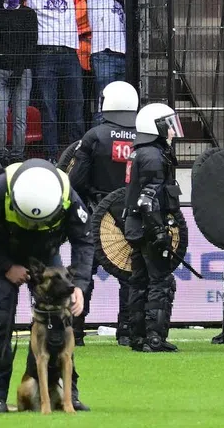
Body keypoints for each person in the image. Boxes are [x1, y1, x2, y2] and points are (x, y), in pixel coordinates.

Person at [0, 160, 92, 414]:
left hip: (46, 255)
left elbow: (84, 240)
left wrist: (79, 285)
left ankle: (69, 392)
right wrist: (6, 267)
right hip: (1, 255)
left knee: (63, 322)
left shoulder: (67, 194)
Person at [65, 81, 140, 345]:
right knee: (129, 273)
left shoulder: (94, 136)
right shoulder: (145, 135)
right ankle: (128, 331)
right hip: (132, 216)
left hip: (98, 214)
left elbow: (75, 181)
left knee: (84, 272)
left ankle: (75, 329)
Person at [123, 102, 182, 353]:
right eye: (167, 126)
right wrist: (159, 231)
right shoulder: (154, 156)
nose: (171, 132)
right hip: (149, 227)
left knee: (139, 282)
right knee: (160, 281)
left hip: (137, 226)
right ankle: (155, 337)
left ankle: (138, 336)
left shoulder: (141, 152)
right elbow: (148, 199)